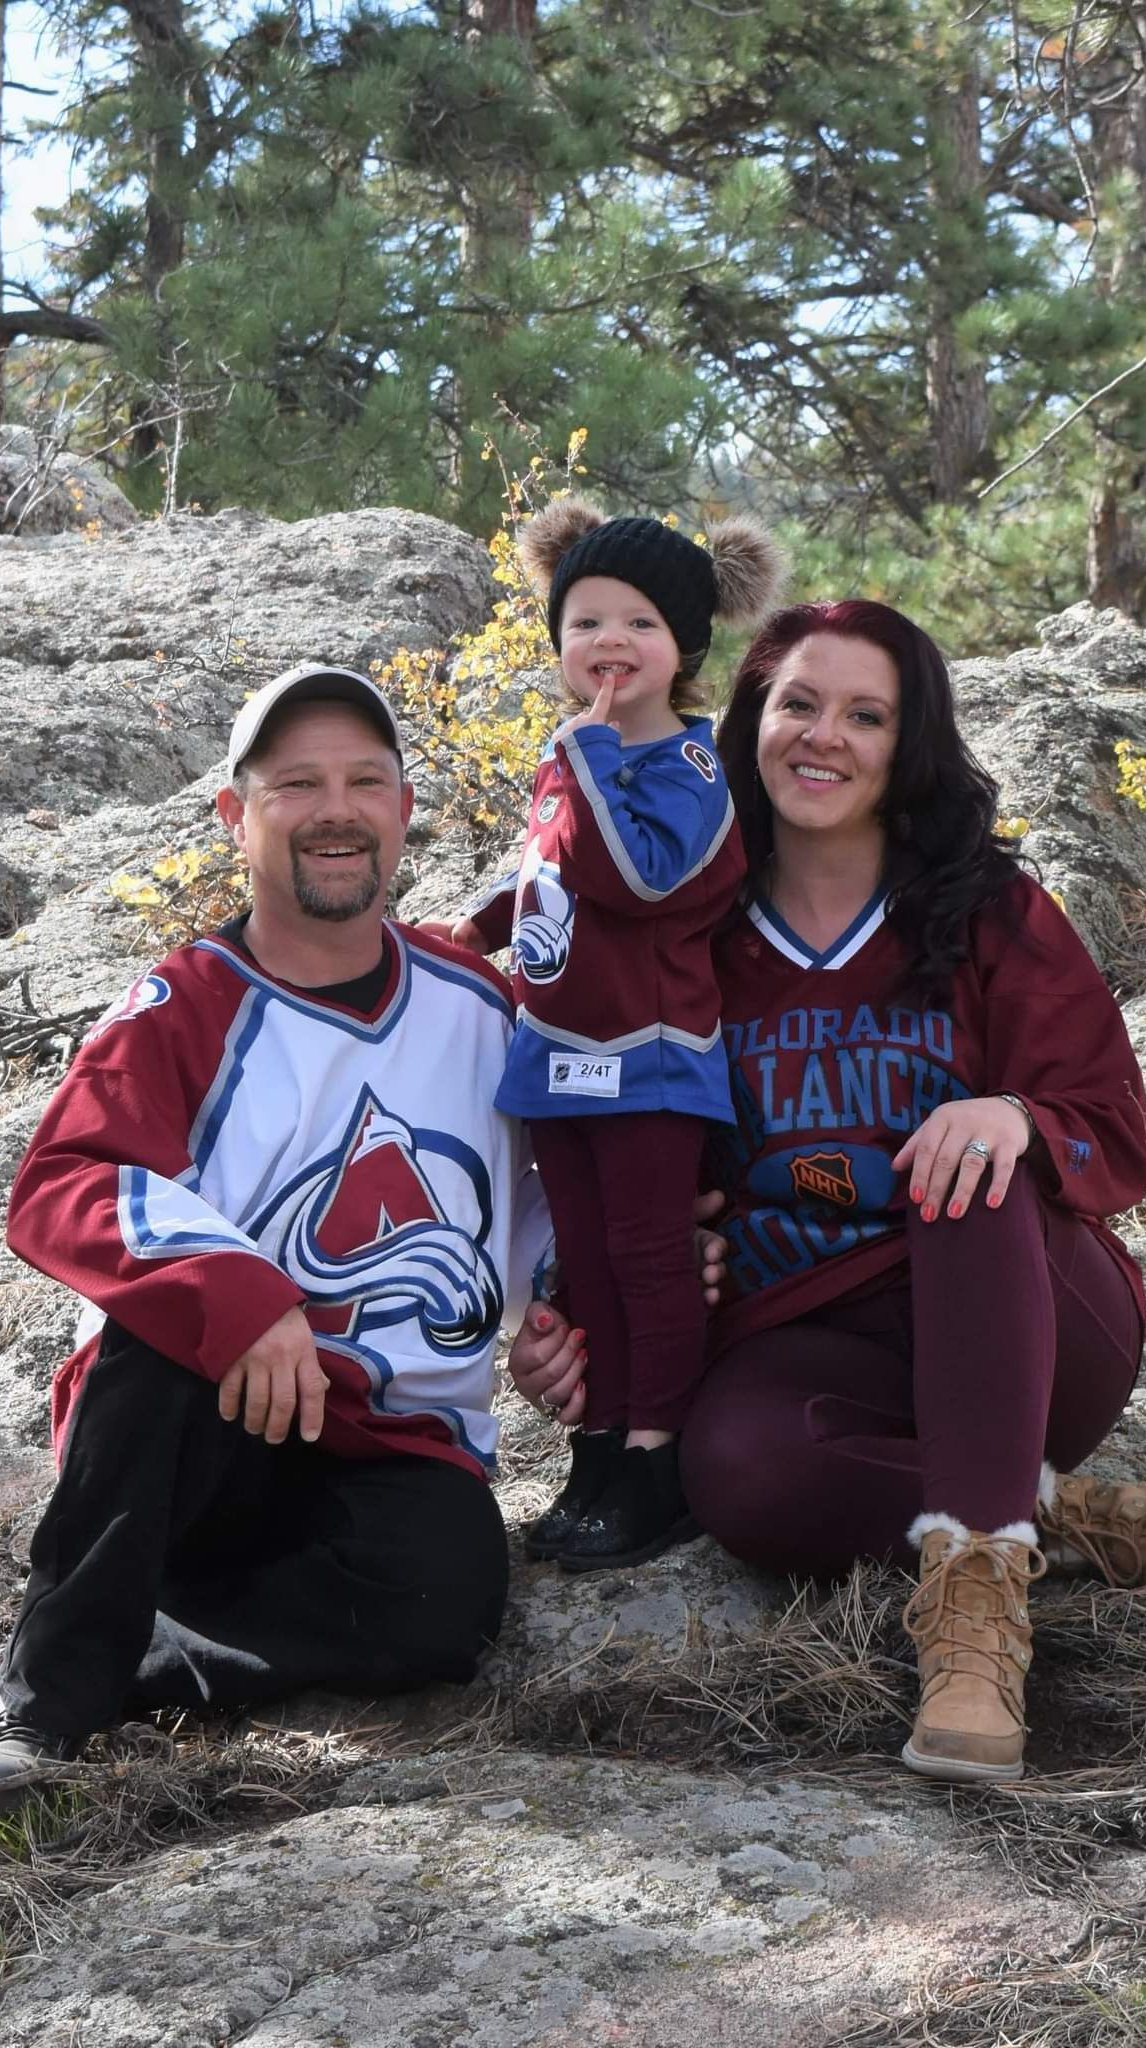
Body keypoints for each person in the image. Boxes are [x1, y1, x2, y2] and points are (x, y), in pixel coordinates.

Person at [512, 599, 1146, 1785]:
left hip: (1030, 1316)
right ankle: (1071, 1513)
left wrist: (1010, 1113)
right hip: (809, 1334)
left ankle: (975, 1601)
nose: (826, 736)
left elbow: (1111, 1129)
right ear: (749, 720)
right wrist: (594, 1296)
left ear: (909, 745)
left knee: (967, 1170)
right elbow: (616, 1133)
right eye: (799, 703)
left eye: (868, 714)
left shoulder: (990, 910)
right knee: (737, 1475)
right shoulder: (685, 926)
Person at [0, 663, 561, 1815]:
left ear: (403, 809)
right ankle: (40, 1706)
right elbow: (65, 1181)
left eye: (367, 780)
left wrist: (563, 1311)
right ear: (238, 815)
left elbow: (536, 1197)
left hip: (392, 1440)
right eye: (298, 783)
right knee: (151, 1339)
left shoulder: (478, 1003)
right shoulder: (186, 1003)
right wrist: (243, 1294)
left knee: (449, 1601)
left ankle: (142, 1652)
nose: (338, 808)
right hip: (205, 1427)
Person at [425, 503, 783, 1571]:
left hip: (652, 1061)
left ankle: (655, 1450)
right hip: (557, 1056)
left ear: (685, 648)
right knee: (585, 1261)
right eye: (584, 621)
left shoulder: (691, 766)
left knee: (647, 1256)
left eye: (638, 621)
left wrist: (584, 761)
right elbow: (551, 873)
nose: (608, 642)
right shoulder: (571, 754)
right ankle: (598, 1447)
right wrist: (482, 924)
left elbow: (645, 877)